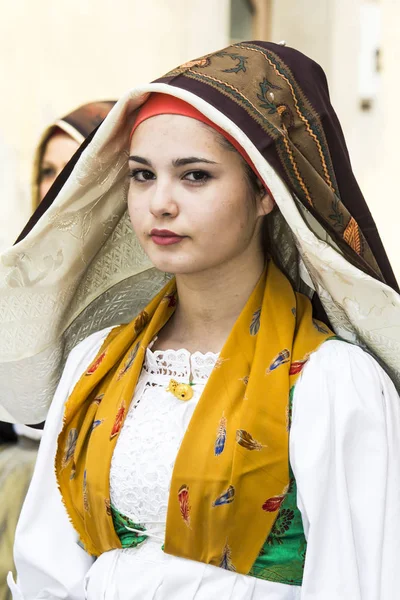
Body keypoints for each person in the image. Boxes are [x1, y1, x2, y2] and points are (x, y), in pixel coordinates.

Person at [2, 41, 399, 599]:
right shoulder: (98, 363)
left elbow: (360, 583)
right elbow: (48, 569)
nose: (159, 203)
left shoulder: (330, 383)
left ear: (265, 190)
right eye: (142, 175)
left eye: (194, 176)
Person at [0, 101, 115, 600]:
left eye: (72, 166)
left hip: (85, 496)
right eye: (47, 170)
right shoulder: (23, 271)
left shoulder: (138, 274)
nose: (55, 183)